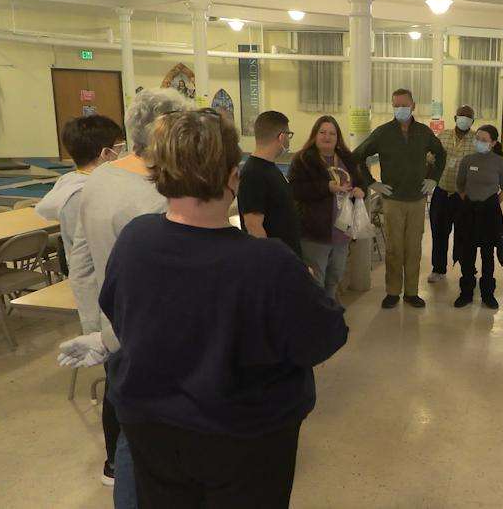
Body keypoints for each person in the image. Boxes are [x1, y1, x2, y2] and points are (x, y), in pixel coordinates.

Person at [96, 109, 347, 508]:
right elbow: (324, 336)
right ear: (233, 177)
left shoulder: (135, 240)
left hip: (153, 430)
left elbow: (118, 312)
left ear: (158, 172)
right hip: (245, 437)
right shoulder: (269, 263)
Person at [57, 88, 192, 508]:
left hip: (115, 330)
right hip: (158, 338)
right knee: (160, 443)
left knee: (129, 434)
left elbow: (80, 260)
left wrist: (97, 331)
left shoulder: (99, 179)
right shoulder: (160, 194)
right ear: (167, 132)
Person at [351, 88, 446, 309]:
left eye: (404, 105)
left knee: (413, 248)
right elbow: (356, 156)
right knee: (394, 248)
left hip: (417, 199)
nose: (400, 109)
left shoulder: (423, 132)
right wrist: (371, 182)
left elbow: (441, 154)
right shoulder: (383, 133)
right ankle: (393, 291)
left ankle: (412, 292)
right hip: (392, 200)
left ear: (414, 106)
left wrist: (433, 178)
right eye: (396, 105)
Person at [287, 115, 366, 302]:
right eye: (322, 132)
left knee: (335, 277)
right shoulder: (303, 160)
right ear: (314, 135)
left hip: (342, 232)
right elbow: (295, 190)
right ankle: (316, 314)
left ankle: (329, 310)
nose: (327, 137)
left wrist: (360, 190)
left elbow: (361, 182)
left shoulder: (347, 158)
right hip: (315, 232)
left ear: (338, 137)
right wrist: (326, 187)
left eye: (332, 133)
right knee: (315, 280)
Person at [36, 115, 124, 258]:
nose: (121, 154)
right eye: (119, 148)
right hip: (94, 268)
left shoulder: (73, 182)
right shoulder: (81, 195)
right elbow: (90, 249)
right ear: (106, 153)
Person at [453, 124, 503, 309]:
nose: (479, 142)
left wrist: (492, 204)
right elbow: (460, 185)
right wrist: (470, 202)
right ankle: (466, 292)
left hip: (489, 213)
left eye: (484, 140)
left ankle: (488, 293)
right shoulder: (468, 160)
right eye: (477, 139)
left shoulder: (499, 162)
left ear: (493, 143)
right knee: (467, 252)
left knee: (488, 253)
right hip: (469, 211)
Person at [238, 110, 302, 258]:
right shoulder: (253, 173)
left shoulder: (269, 168)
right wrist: (272, 262)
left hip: (286, 257)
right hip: (276, 262)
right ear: (282, 137)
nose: (289, 140)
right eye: (289, 135)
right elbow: (253, 226)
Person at [429, 105, 477, 283]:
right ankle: (438, 269)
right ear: (455, 118)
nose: (464, 119)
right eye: (461, 116)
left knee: (465, 235)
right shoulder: (443, 136)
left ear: (472, 121)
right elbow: (430, 159)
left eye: (468, 117)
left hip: (464, 196)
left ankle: (467, 271)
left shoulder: (476, 139)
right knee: (439, 233)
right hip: (442, 192)